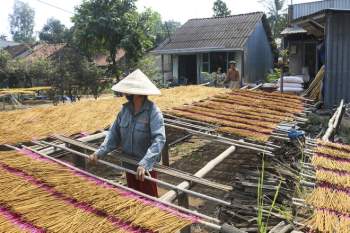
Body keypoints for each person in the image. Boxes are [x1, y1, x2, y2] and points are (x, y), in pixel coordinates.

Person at [89, 69, 166, 197]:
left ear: (136, 93)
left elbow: (159, 139)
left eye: (127, 90)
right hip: (129, 163)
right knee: (134, 198)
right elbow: (113, 135)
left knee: (150, 203)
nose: (124, 93)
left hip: (145, 167)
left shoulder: (153, 112)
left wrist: (145, 164)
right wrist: (99, 153)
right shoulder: (124, 111)